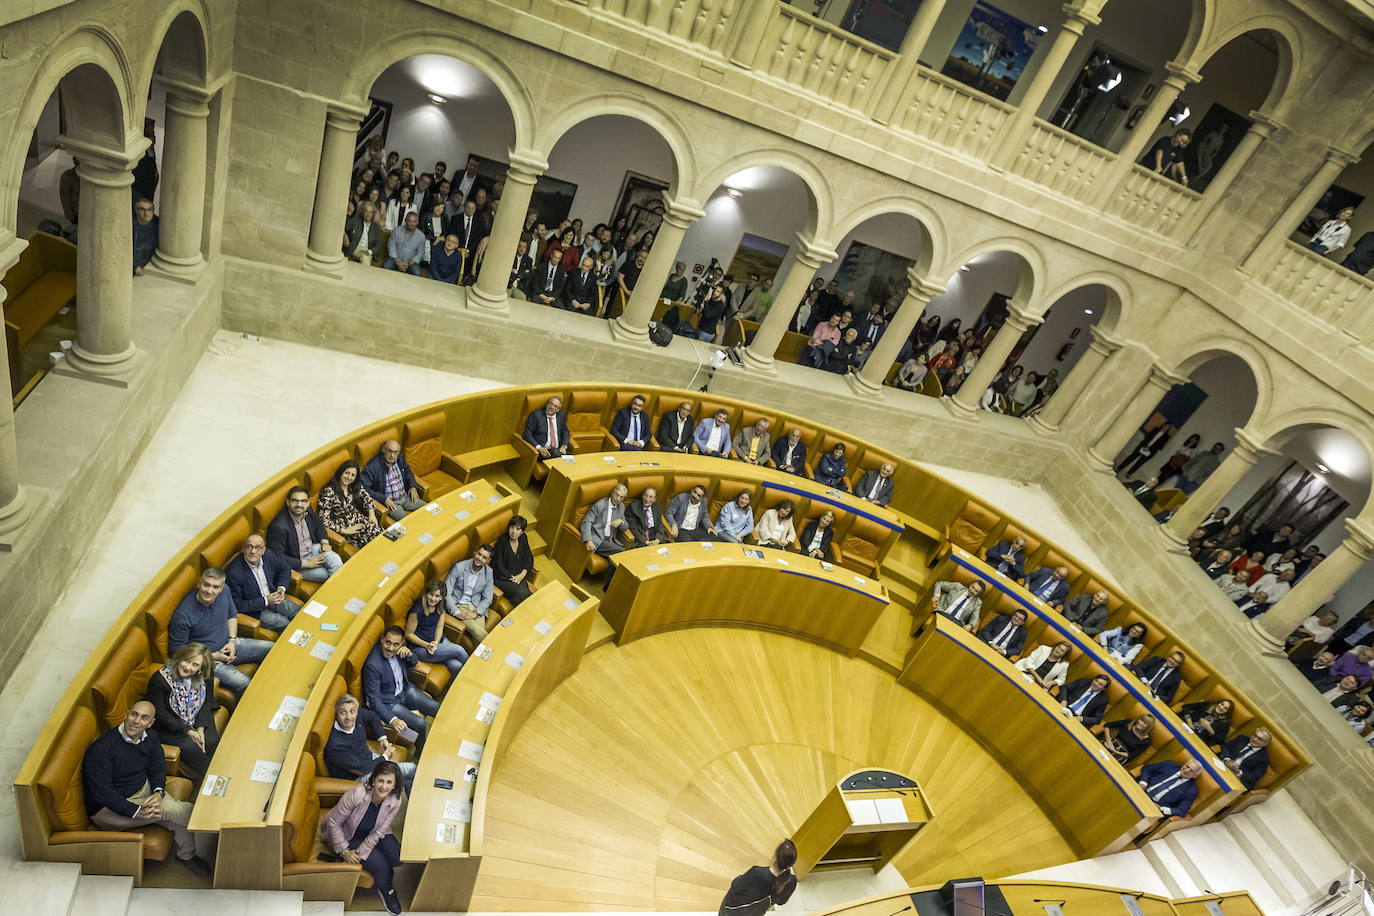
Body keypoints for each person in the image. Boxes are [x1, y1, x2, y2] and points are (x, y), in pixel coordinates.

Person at [82, 701, 210, 876]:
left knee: (173, 816)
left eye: (144, 718)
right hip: (108, 809)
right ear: (126, 714)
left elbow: (157, 767)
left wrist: (158, 792)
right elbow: (102, 793)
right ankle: (216, 822)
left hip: (143, 790)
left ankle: (186, 856)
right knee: (177, 812)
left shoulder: (150, 737)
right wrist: (135, 810)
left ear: (150, 723)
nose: (136, 721)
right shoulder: (101, 748)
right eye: (134, 714)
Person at [168, 567, 273, 696]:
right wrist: (213, 656)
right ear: (199, 583)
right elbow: (177, 651)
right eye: (206, 585)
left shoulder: (225, 591)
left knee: (273, 649)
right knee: (243, 682)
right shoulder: (183, 615)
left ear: (222, 587)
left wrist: (232, 641)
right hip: (207, 659)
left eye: (215, 587)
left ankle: (273, 689)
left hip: (230, 644)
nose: (209, 591)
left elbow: (232, 615)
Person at [321, 759, 407, 914]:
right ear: (373, 780)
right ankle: (387, 890)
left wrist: (366, 848)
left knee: (397, 857)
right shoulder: (356, 794)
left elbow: (380, 830)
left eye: (389, 782)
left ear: (394, 785)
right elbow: (334, 824)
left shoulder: (395, 800)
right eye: (380, 780)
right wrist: (344, 851)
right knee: (382, 867)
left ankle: (385, 873)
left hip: (373, 831)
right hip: (348, 835)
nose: (384, 786)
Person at [145, 643, 219, 784]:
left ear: (201, 668)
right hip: (169, 725)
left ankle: (218, 769)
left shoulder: (205, 675)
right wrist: (188, 731)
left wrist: (200, 728)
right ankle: (206, 780)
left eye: (195, 665)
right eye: (186, 661)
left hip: (196, 716)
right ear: (179, 658)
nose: (188, 667)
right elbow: (160, 715)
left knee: (211, 740)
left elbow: (206, 701)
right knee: (192, 747)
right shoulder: (159, 680)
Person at [362, 625, 438, 748]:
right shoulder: (373, 665)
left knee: (436, 707)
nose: (391, 648)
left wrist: (410, 655)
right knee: (420, 723)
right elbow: (373, 700)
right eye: (388, 642)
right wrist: (392, 719)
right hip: (388, 702)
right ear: (382, 639)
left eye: (396, 644)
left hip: (405, 691)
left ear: (401, 643)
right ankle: (421, 750)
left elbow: (414, 662)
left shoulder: (400, 650)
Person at [323, 694, 415, 787]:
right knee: (411, 768)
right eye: (343, 712)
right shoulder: (336, 745)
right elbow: (362, 770)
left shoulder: (357, 716)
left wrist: (382, 738)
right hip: (358, 778)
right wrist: (385, 757)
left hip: (369, 759)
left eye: (352, 711)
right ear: (336, 714)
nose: (349, 717)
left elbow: (374, 717)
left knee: (406, 779)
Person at [224, 533, 301, 633]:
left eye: (257, 547)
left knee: (298, 612)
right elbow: (236, 604)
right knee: (284, 623)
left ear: (263, 550)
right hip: (255, 610)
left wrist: (281, 587)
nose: (253, 551)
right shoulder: (234, 572)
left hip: (273, 596)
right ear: (243, 549)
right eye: (249, 547)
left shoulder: (268, 555)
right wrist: (265, 600)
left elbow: (284, 568)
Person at [267, 486, 344, 582]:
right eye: (295, 501)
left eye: (303, 501)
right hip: (296, 560)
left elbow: (318, 525)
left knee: (336, 562)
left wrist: (324, 542)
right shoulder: (279, 527)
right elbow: (276, 557)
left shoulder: (307, 510)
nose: (299, 504)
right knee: (328, 573)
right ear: (288, 502)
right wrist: (305, 563)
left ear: (308, 503)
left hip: (313, 548)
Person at [405, 579, 468, 681]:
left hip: (437, 643)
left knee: (456, 666)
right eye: (431, 594)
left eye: (437, 596)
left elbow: (439, 627)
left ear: (442, 597)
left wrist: (436, 642)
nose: (433, 598)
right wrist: (427, 645)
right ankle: (474, 675)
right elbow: (409, 634)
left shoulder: (441, 604)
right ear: (426, 593)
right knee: (459, 650)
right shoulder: (417, 609)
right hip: (420, 648)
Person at [717, 838, 797, 916]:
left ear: (776, 855)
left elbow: (736, 885)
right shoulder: (792, 881)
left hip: (732, 912)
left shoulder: (756, 873)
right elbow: (781, 902)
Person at [318, 459, 384, 548]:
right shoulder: (329, 492)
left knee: (381, 536)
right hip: (344, 526)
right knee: (374, 543)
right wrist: (344, 530)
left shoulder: (353, 486)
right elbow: (323, 520)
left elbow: (367, 497)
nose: (349, 477)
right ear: (341, 472)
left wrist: (372, 514)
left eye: (353, 475)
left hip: (358, 519)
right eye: (347, 473)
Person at [362, 440, 426, 521]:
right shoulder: (372, 467)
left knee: (428, 508)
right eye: (390, 451)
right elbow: (364, 489)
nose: (392, 455)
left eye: (396, 452)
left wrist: (412, 486)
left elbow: (408, 472)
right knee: (407, 521)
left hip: (406, 497)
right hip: (391, 502)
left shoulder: (400, 458)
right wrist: (384, 499)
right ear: (383, 450)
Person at [444, 544, 496, 643]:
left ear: (488, 561)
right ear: (475, 553)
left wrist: (476, 613)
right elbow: (446, 592)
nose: (479, 558)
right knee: (478, 631)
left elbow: (488, 598)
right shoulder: (459, 567)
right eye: (479, 554)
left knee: (478, 635)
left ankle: (484, 656)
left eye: (484, 557)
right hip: (458, 605)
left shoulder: (488, 572)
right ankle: (494, 648)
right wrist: (456, 612)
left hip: (475, 606)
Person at [491, 515, 536, 606]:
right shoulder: (502, 542)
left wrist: (523, 573)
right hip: (502, 578)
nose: (513, 531)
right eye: (512, 527)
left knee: (524, 594)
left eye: (518, 529)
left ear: (522, 532)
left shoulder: (523, 538)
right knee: (522, 594)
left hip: (518, 576)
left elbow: (529, 558)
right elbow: (498, 566)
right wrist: (514, 577)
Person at [522, 396, 572, 460]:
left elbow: (565, 431)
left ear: (558, 410)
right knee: (559, 456)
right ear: (547, 404)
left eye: (555, 406)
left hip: (558, 449)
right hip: (543, 450)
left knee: (569, 459)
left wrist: (564, 446)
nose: (552, 407)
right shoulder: (536, 415)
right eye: (551, 403)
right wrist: (539, 448)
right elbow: (527, 435)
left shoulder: (561, 416)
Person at [382, 211, 424, 275]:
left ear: (417, 222)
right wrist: (397, 261)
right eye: (409, 221)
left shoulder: (421, 236)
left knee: (417, 273)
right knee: (385, 267)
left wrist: (408, 263)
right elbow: (391, 247)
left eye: (414, 221)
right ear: (405, 220)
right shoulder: (396, 230)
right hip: (395, 259)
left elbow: (420, 253)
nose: (411, 223)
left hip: (410, 262)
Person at [132, 199, 159, 275]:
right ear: (136, 211)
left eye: (149, 210)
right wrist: (135, 265)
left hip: (149, 260)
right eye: (142, 210)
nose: (146, 213)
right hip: (132, 261)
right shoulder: (130, 224)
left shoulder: (157, 223)